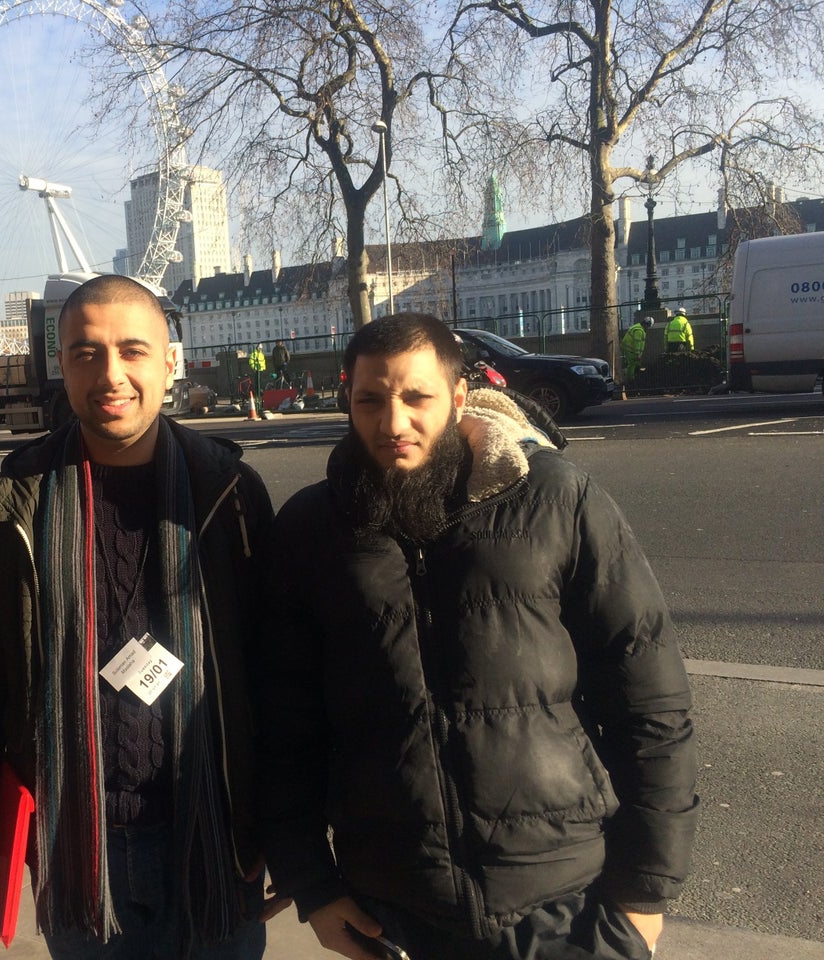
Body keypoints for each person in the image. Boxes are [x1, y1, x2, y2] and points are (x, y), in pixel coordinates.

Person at [256, 313, 698, 960]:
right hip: (395, 910)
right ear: (347, 399)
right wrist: (313, 887)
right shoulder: (311, 530)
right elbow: (282, 726)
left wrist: (644, 896)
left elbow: (649, 699)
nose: (393, 422)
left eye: (417, 397)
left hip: (566, 899)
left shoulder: (557, 501)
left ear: (459, 397)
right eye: (370, 400)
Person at [0, 274, 276, 960]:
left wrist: (286, 834)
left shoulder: (232, 494)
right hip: (76, 847)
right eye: (85, 353)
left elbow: (277, 676)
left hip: (215, 834)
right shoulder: (9, 506)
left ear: (167, 361)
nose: (111, 374)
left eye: (131, 350)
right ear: (60, 365)